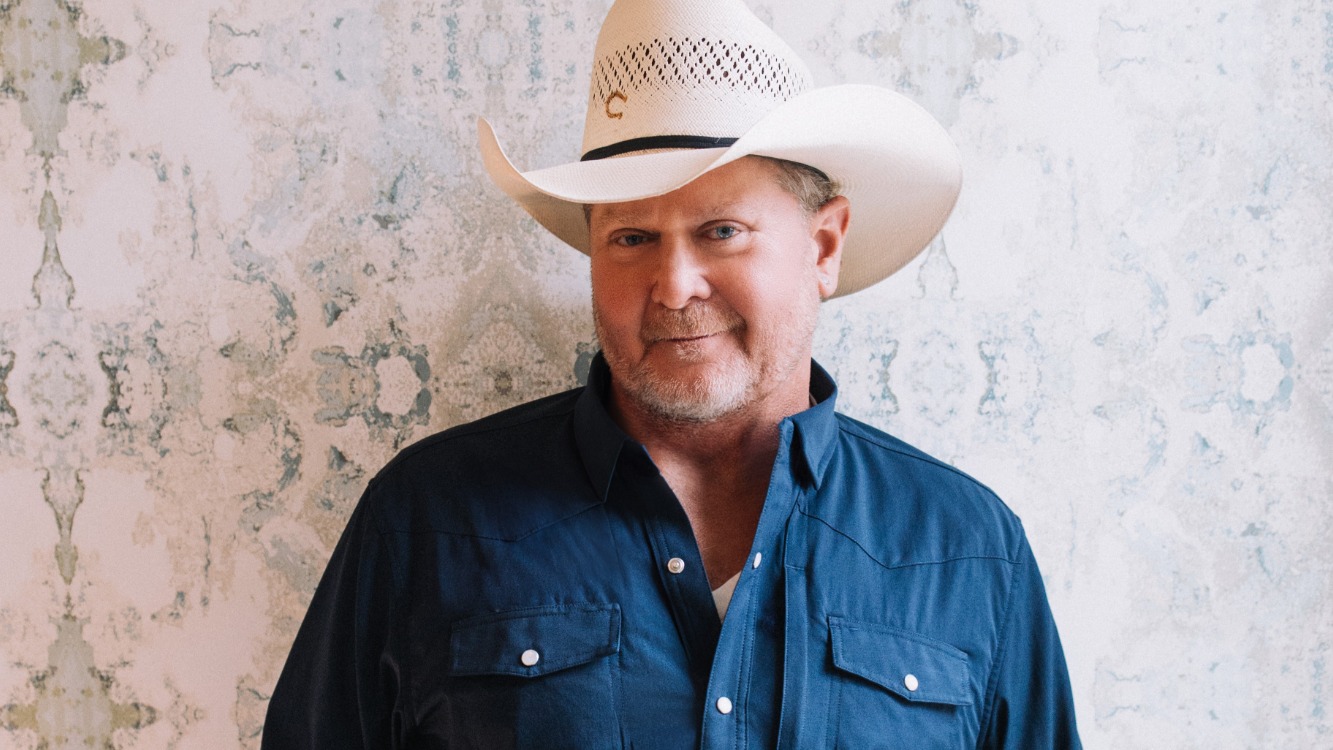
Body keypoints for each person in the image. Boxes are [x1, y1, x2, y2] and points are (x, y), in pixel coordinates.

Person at [262, 0, 1082, 747]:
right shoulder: (428, 519)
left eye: (721, 230)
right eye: (631, 238)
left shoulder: (968, 552)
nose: (674, 286)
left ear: (823, 246)